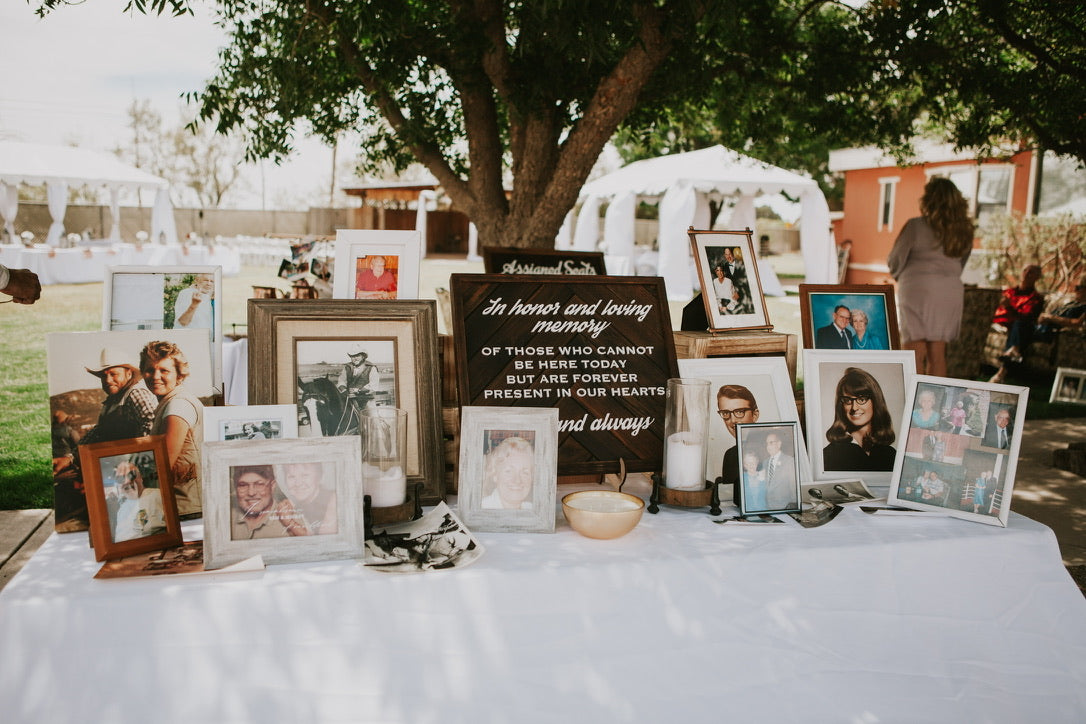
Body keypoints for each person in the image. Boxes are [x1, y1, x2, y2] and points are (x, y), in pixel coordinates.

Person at [887, 177, 975, 376]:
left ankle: (911, 400)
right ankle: (935, 402)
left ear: (929, 200)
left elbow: (895, 258)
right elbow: (961, 263)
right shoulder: (965, 231)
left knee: (913, 351)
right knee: (938, 352)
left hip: (917, 288)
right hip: (949, 291)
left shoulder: (915, 226)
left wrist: (899, 275)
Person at [140, 341, 204, 517]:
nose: (155, 376)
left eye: (164, 370)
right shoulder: (172, 401)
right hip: (181, 505)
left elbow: (163, 463)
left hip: (186, 509)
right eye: (150, 370)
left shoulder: (178, 405)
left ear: (179, 375)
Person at [822, 367, 897, 472]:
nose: (854, 407)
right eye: (848, 400)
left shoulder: (890, 454)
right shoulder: (830, 455)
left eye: (861, 399)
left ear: (876, 402)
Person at [989, 264, 1044, 382]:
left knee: (1020, 325)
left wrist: (1010, 307)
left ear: (1037, 277)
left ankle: (1002, 371)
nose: (1026, 274)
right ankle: (1014, 350)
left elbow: (1029, 317)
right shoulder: (1008, 292)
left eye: (1031, 272)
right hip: (1003, 323)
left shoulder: (1036, 298)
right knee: (1020, 328)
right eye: (1025, 270)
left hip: (1020, 326)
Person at [230, 465, 308, 539]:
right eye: (243, 485)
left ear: (272, 486)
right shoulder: (227, 517)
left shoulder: (291, 519)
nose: (251, 493)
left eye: (259, 484)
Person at [716, 384, 760, 503]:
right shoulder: (730, 455)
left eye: (739, 411)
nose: (733, 420)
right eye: (725, 413)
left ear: (755, 415)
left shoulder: (771, 449)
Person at [112, 460, 166, 542]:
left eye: (131, 475)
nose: (127, 481)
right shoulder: (121, 510)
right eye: (120, 479)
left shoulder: (159, 495)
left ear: (140, 477)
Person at [282, 461, 338, 535]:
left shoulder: (334, 500)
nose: (298, 483)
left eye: (305, 475)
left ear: (319, 477)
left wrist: (289, 522)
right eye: (291, 477)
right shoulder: (291, 507)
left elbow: (323, 543)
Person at [481, 436, 535, 509]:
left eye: (525, 472)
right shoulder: (482, 508)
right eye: (509, 471)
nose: (517, 480)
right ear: (495, 475)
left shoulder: (532, 509)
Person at [758, 431, 797, 510]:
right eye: (767, 443)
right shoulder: (765, 462)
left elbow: (793, 487)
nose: (768, 446)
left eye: (771, 442)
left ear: (779, 444)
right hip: (767, 507)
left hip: (784, 508)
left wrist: (793, 507)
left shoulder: (789, 461)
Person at [337, 343, 379, 407]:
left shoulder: (371, 367)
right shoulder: (347, 367)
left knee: (370, 416)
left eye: (357, 356)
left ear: (363, 356)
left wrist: (358, 390)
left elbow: (373, 385)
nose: (355, 358)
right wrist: (344, 390)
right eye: (353, 356)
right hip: (350, 399)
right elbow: (341, 381)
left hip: (366, 399)